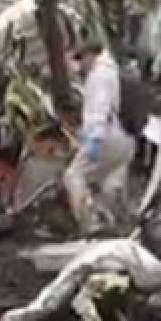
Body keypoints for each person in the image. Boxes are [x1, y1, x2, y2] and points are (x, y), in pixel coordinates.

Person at [63, 40, 136, 232]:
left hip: (105, 136)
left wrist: (93, 138)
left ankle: (91, 225)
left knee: (73, 176)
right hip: (125, 138)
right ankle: (116, 227)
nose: (80, 64)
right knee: (108, 185)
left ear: (91, 55)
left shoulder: (98, 75)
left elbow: (99, 108)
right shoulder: (115, 72)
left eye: (81, 58)